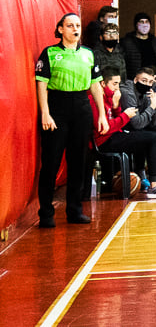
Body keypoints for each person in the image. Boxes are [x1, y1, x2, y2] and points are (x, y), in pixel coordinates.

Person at [35, 13, 108, 227]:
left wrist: (102, 115)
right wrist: (45, 113)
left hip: (81, 107)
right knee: (51, 162)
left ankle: (75, 210)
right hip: (57, 107)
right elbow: (42, 84)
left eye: (77, 25)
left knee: (79, 161)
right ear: (60, 30)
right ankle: (46, 214)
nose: (75, 29)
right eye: (69, 25)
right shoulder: (50, 53)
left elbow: (95, 85)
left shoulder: (88, 54)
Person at [90, 68, 156, 198]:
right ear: (103, 84)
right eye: (115, 84)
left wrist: (116, 107)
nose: (118, 87)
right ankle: (155, 187)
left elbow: (116, 119)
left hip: (115, 134)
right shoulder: (95, 100)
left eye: (119, 83)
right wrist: (125, 115)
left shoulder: (111, 97)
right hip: (104, 141)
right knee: (155, 138)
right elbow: (104, 129)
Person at [122, 12, 156, 92]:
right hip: (138, 82)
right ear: (136, 25)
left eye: (147, 22)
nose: (144, 25)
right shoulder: (127, 42)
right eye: (141, 22)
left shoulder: (155, 41)